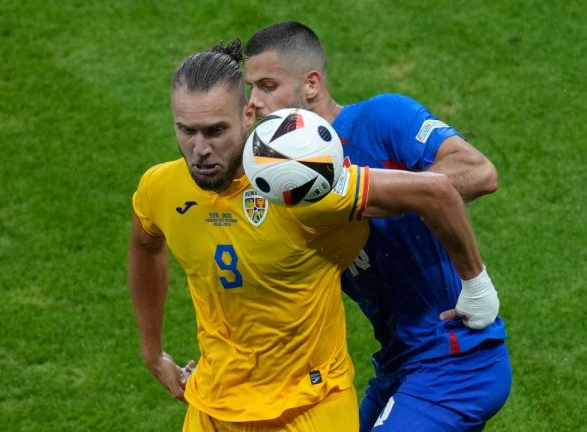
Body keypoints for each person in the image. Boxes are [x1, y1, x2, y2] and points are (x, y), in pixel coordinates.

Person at [128, 39, 498, 431]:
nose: (199, 149)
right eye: (186, 131)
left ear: (248, 114)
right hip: (213, 408)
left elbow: (436, 191)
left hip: (309, 407)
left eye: (215, 131)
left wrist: (476, 286)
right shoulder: (161, 187)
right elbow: (145, 244)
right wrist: (152, 353)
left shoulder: (300, 185)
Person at [244, 21, 512, 431]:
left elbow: (478, 172)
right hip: (400, 365)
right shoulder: (282, 188)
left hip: (457, 359)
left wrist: (374, 196)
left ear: (311, 84)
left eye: (266, 86)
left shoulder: (381, 118)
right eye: (250, 88)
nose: (254, 102)